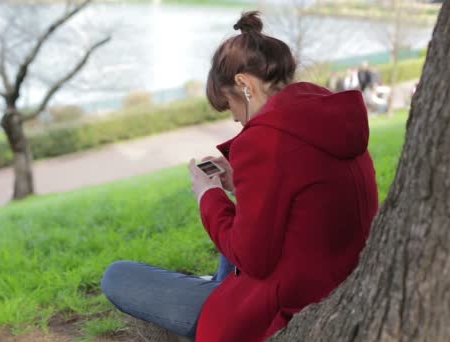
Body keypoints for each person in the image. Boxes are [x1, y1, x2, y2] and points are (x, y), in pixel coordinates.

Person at [101, 11, 379, 342]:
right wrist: (240, 183)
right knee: (233, 236)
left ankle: (208, 289)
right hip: (334, 277)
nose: (234, 118)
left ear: (244, 85)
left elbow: (254, 260)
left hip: (279, 307)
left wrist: (209, 196)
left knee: (117, 276)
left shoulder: (264, 142)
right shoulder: (330, 118)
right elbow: (300, 193)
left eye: (230, 104)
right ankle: (210, 285)